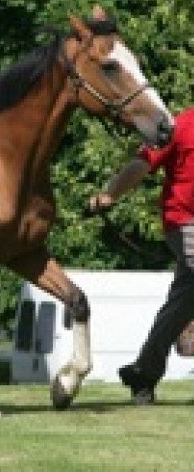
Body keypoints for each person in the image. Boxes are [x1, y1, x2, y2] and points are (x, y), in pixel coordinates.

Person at [89, 107, 194, 405]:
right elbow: (143, 162)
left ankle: (143, 373)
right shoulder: (178, 126)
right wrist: (111, 194)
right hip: (185, 222)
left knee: (182, 303)